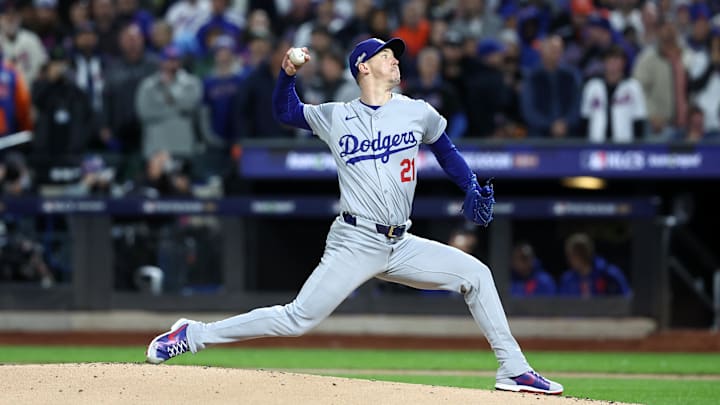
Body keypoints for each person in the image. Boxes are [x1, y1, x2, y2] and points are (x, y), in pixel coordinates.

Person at [146, 37, 563, 396]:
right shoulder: (336, 115)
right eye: (386, 55)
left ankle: (513, 368)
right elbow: (286, 112)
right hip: (355, 241)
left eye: (395, 55)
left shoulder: (417, 111)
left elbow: (445, 149)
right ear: (363, 67)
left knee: (477, 275)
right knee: (297, 319)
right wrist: (287, 72)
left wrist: (470, 183)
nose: (396, 60)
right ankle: (193, 334)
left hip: (401, 243)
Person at [558, 232, 631, 297]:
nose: (569, 259)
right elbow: (561, 305)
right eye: (569, 255)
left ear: (587, 253)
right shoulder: (568, 279)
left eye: (574, 255)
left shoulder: (609, 274)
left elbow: (626, 298)